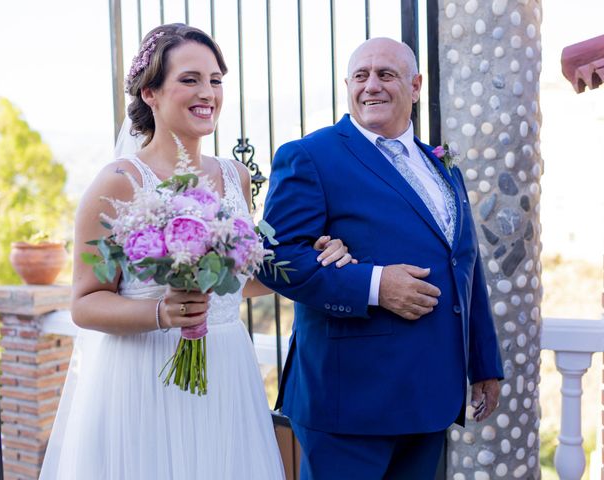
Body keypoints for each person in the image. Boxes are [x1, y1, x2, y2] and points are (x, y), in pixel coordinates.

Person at [40, 23, 356, 480]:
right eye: (189, 79)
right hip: (143, 377)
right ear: (150, 92)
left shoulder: (235, 178)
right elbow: (84, 304)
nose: (207, 92)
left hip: (227, 371)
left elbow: (236, 282)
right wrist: (163, 314)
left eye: (215, 80)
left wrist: (311, 257)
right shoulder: (117, 183)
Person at [258, 37, 504, 479]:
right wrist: (374, 285)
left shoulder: (442, 165)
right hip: (349, 402)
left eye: (385, 75)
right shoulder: (310, 156)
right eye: (360, 76)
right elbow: (273, 257)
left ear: (415, 85)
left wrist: (484, 362)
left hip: (428, 398)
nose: (371, 85)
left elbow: (464, 267)